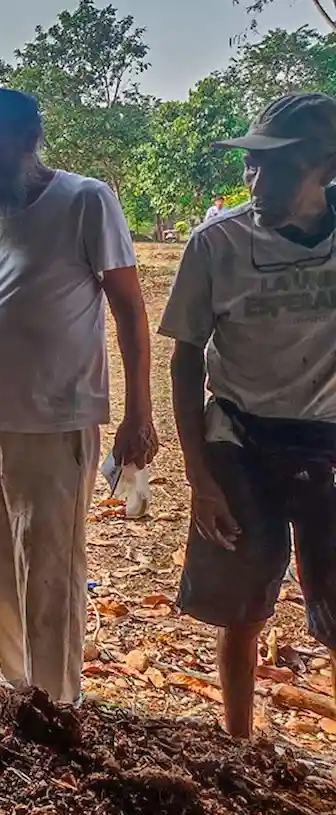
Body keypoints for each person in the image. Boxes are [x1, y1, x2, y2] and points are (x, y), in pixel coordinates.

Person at [0, 87, 158, 704]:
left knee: (52, 574)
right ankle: (19, 689)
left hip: (55, 420)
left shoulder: (85, 200)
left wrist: (137, 414)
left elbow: (130, 315)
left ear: (28, 137)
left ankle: (58, 703)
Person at [160, 92, 336, 739]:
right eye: (251, 166)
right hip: (238, 436)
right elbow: (185, 360)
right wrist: (201, 478)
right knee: (243, 606)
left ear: (326, 166)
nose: (257, 181)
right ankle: (239, 746)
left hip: (323, 442)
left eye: (279, 167)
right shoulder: (217, 244)